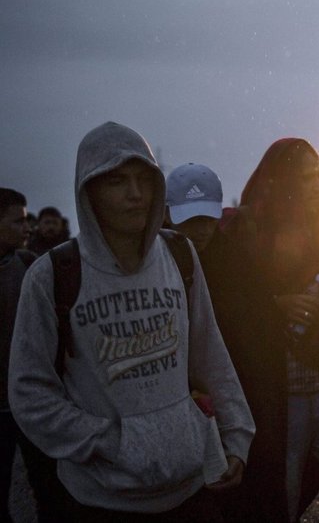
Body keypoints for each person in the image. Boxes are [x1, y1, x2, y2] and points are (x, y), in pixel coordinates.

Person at [8, 121, 254, 522]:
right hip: (101, 500)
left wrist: (237, 435)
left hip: (190, 492)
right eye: (117, 181)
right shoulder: (54, 274)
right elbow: (29, 392)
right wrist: (111, 441)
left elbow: (210, 355)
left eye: (145, 179)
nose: (136, 194)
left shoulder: (180, 256)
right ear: (89, 190)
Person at [205, 138, 319, 522]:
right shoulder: (245, 233)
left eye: (317, 176)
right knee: (280, 493)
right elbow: (225, 304)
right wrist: (276, 306)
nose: (313, 186)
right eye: (302, 177)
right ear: (280, 181)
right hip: (278, 395)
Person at [1, 189, 69, 523]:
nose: (26, 227)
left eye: (28, 220)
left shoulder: (29, 266)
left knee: (49, 490)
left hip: (33, 405)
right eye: (17, 220)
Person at [164, 163, 224, 254]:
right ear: (166, 214)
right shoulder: (148, 255)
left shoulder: (234, 257)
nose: (204, 231)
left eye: (211, 219)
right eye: (192, 220)